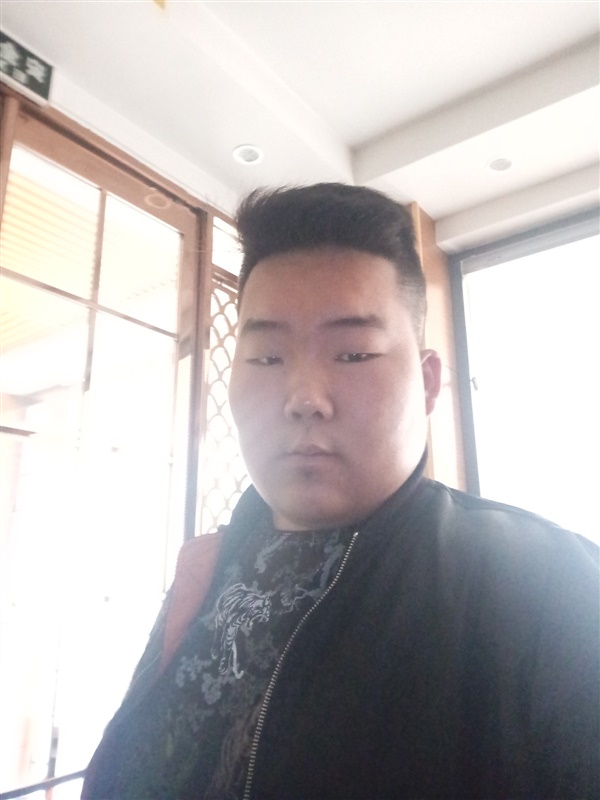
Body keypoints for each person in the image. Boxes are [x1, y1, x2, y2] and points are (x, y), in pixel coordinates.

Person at [82, 183, 599, 799]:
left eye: (353, 354)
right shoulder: (206, 567)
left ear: (428, 383)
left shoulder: (551, 588)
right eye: (266, 358)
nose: (304, 398)